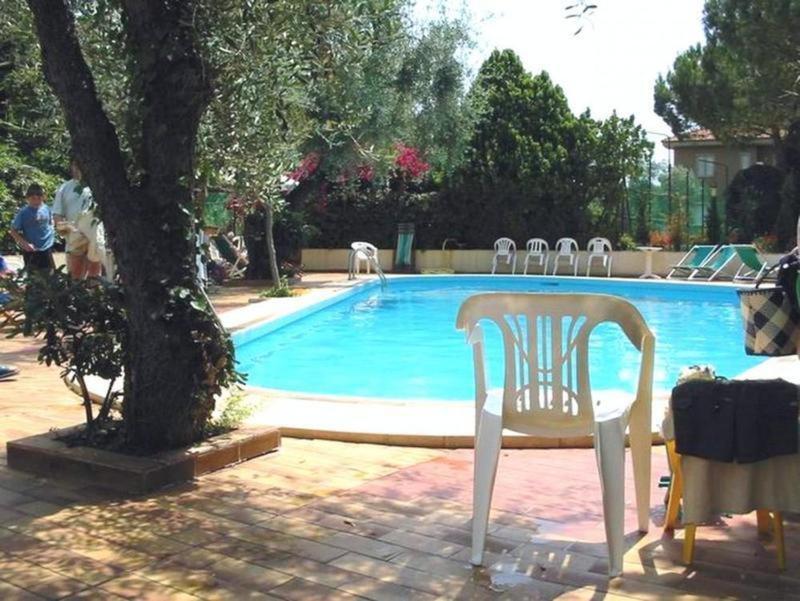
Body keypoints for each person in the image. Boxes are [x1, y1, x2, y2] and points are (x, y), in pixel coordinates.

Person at [53, 158, 107, 279]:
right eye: (75, 165)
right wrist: (70, 229)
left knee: (95, 275)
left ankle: (94, 291)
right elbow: (57, 215)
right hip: (74, 236)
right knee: (75, 275)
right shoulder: (64, 188)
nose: (79, 168)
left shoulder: (97, 186)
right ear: (71, 166)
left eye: (82, 164)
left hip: (95, 235)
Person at [9, 183, 55, 274]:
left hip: (46, 249)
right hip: (31, 250)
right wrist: (24, 244)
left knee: (50, 276)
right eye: (32, 195)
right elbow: (13, 231)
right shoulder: (23, 213)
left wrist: (52, 234)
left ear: (43, 196)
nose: (36, 197)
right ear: (27, 197)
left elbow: (50, 223)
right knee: (33, 277)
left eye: (39, 194)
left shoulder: (47, 209)